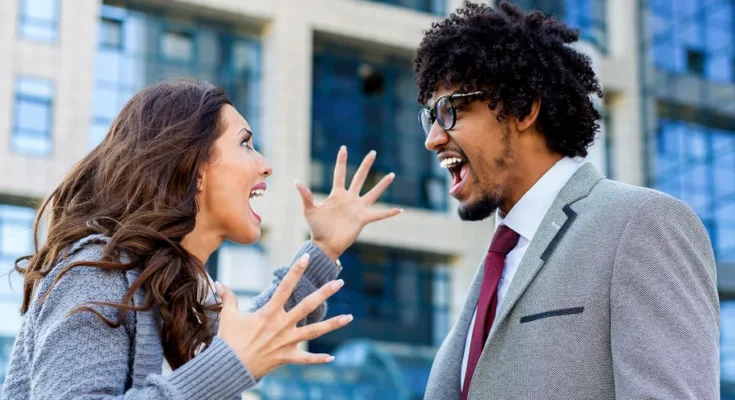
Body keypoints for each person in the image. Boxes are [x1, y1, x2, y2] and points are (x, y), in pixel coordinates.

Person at [1, 79, 401, 400]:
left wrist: (325, 247)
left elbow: (257, 333)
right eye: (245, 143)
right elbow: (225, 363)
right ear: (191, 165)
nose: (265, 164)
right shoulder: (97, 272)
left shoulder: (185, 293)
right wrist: (225, 366)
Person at [413, 2, 719, 399]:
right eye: (430, 117)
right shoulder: (497, 263)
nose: (433, 138)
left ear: (523, 109)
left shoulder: (642, 224)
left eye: (450, 110)